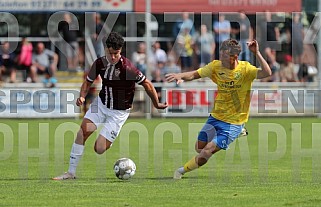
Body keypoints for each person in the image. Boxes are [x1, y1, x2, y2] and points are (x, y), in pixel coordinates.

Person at [53, 32, 168, 180]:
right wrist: (82, 95)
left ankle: (107, 140)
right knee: (82, 132)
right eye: (110, 53)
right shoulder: (99, 64)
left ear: (120, 51)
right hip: (101, 105)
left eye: (116, 53)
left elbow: (147, 84)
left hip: (119, 112)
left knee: (99, 149)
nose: (113, 57)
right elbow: (88, 82)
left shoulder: (128, 68)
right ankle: (70, 172)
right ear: (106, 49)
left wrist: (156, 103)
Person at [165, 39, 271, 179]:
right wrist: (180, 76)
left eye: (225, 56)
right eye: (221, 55)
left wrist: (256, 53)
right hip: (216, 117)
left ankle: (180, 171)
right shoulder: (216, 66)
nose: (221, 59)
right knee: (199, 148)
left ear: (234, 57)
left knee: (206, 152)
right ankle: (238, 133)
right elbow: (195, 74)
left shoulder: (246, 69)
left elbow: (267, 72)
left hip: (234, 122)